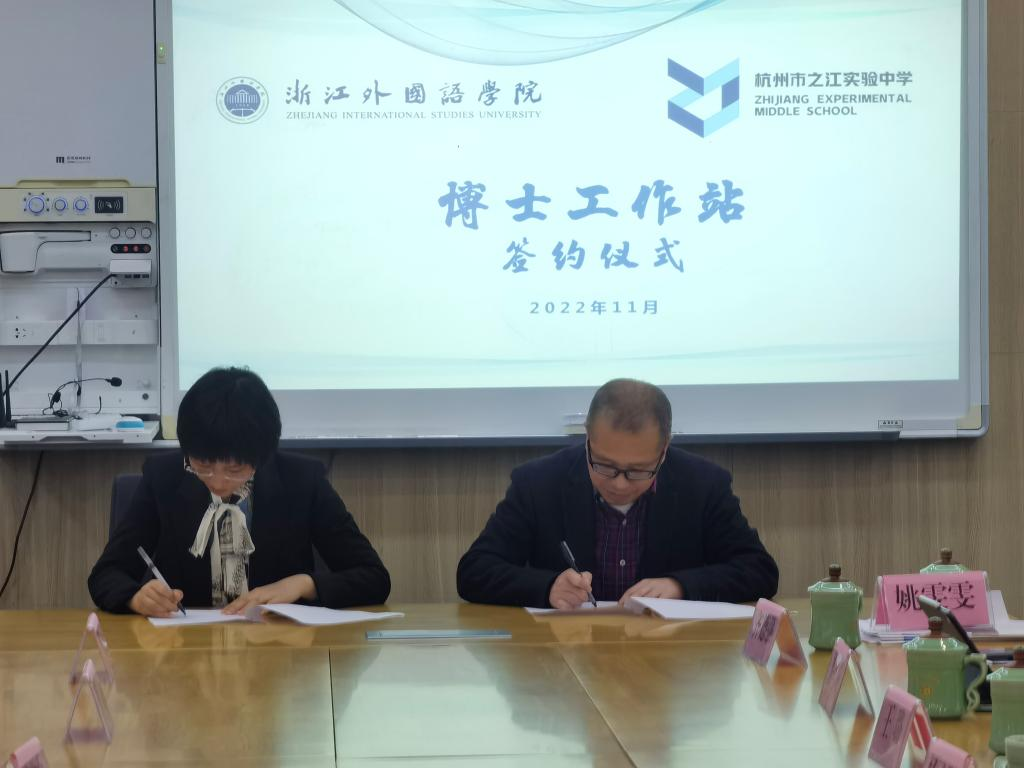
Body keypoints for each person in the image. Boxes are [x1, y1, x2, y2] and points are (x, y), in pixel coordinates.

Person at [88, 367, 390, 616]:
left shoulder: (302, 481)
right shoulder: (163, 477)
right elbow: (106, 574)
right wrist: (137, 597)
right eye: (203, 466)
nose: (218, 482)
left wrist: (302, 584)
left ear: (261, 456)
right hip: (186, 649)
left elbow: (374, 577)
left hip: (280, 653)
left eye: (235, 469)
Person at [456, 378, 778, 609]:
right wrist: (547, 587)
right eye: (605, 466)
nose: (620, 484)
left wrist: (680, 586)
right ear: (587, 438)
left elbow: (759, 570)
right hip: (565, 658)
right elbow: (474, 571)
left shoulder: (703, 484)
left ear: (664, 450)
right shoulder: (539, 483)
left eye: (638, 470)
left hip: (670, 660)